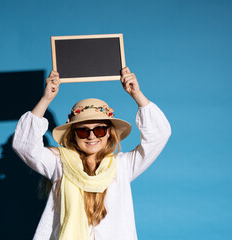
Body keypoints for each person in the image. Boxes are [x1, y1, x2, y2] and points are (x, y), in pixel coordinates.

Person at [12, 67, 171, 240]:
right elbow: (24, 146)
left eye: (99, 130)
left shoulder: (122, 166)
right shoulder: (60, 164)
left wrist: (137, 94)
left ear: (109, 132)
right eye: (83, 131)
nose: (91, 136)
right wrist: (46, 99)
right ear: (74, 134)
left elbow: (159, 135)